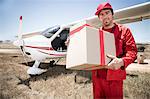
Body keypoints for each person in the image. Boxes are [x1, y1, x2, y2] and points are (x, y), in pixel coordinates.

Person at [92, 2, 137, 99]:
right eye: (101, 14)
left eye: (107, 13)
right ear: (99, 17)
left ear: (112, 14)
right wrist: (73, 42)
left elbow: (132, 51)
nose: (105, 16)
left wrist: (121, 62)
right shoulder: (95, 33)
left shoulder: (124, 31)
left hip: (114, 78)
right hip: (97, 77)